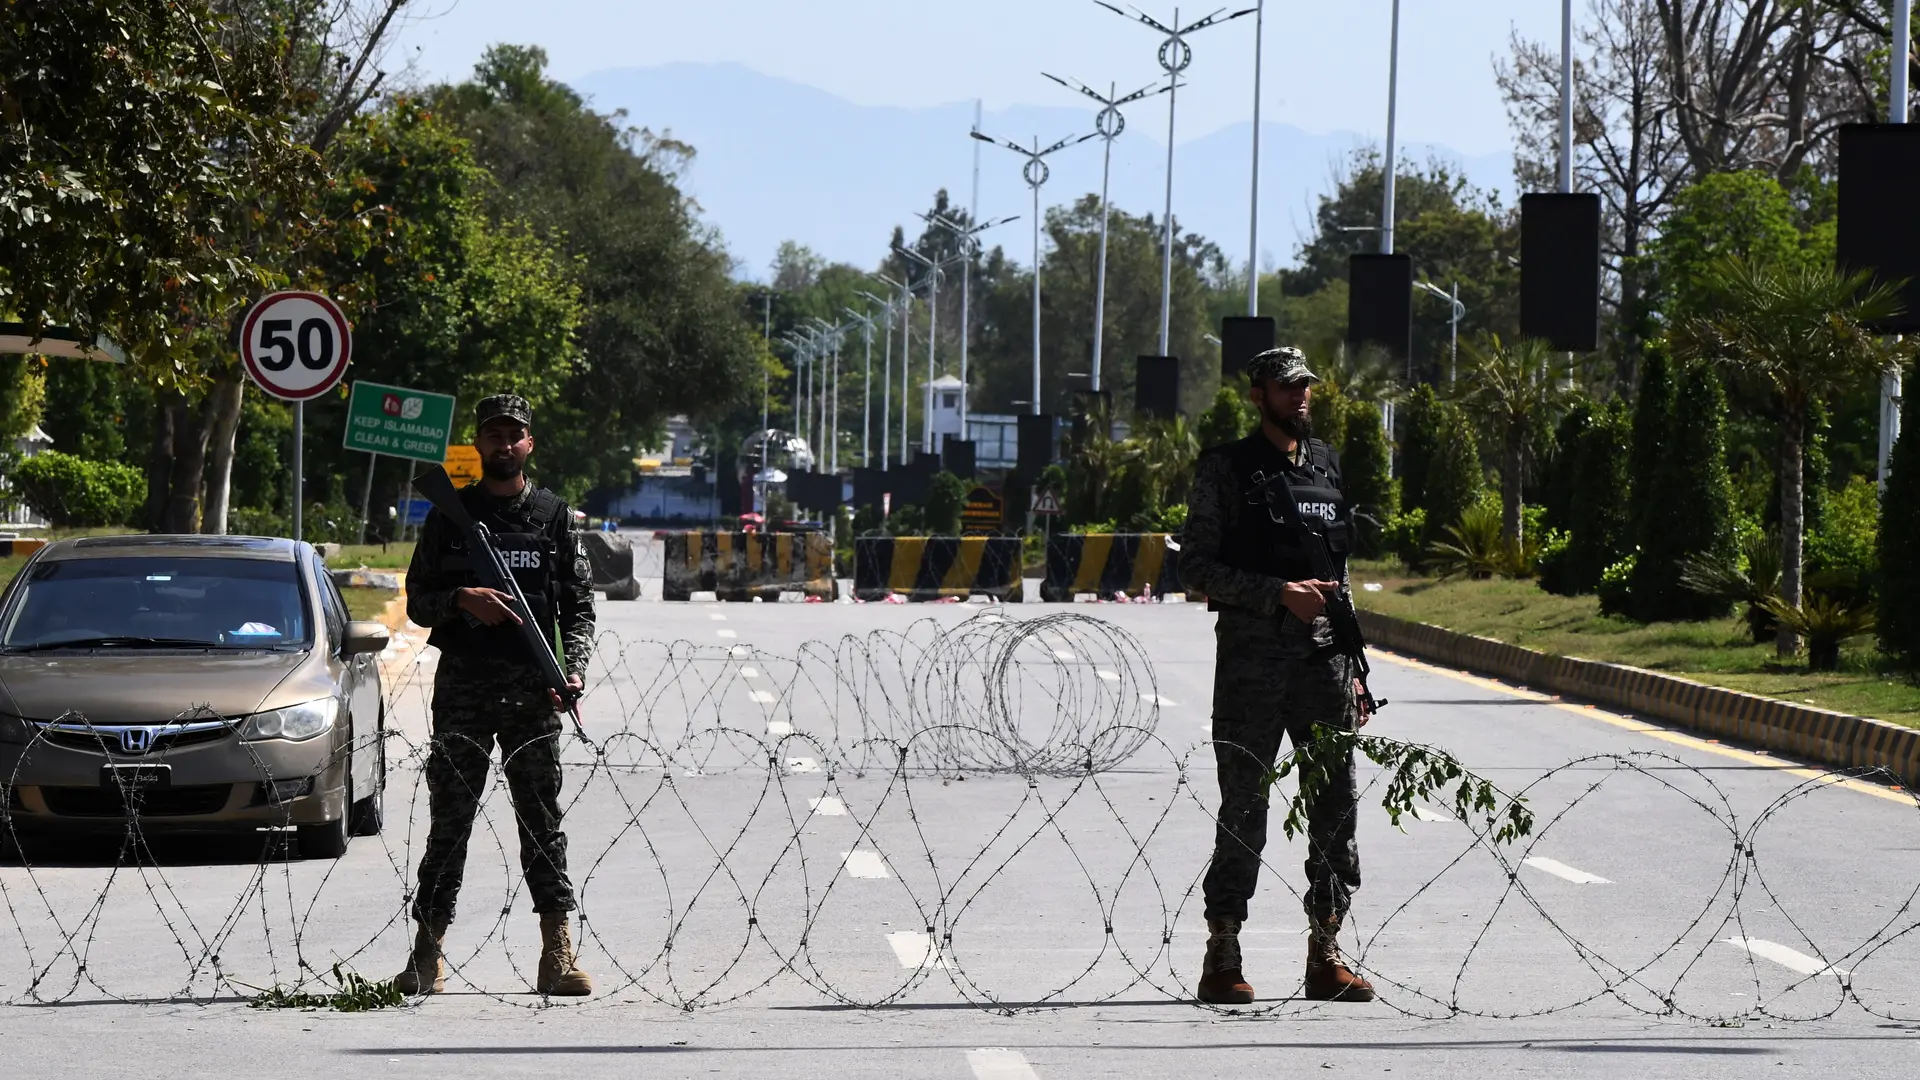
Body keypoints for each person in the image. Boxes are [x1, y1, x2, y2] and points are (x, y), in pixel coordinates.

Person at [1179, 346, 1375, 1006]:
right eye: (1289, 387)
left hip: (1324, 666)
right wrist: (1275, 594)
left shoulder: (1325, 467)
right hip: (1252, 667)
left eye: (1306, 387)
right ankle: (1223, 952)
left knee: (1335, 811)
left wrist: (1354, 671)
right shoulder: (1228, 469)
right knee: (1245, 812)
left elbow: (1339, 575)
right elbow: (1197, 567)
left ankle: (1326, 952)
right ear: (1257, 393)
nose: (1302, 398)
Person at [393, 394, 597, 997]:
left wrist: (572, 669)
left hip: (533, 689)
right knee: (449, 821)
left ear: (530, 445)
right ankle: (427, 952)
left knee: (541, 821)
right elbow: (417, 600)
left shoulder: (552, 516)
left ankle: (556, 952)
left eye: (515, 435)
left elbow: (578, 606)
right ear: (478, 444)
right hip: (464, 690)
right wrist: (463, 599)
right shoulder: (449, 516)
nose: (504, 445)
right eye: (494, 435)